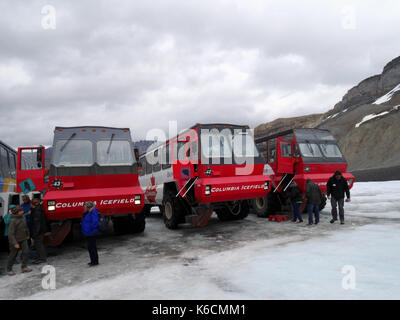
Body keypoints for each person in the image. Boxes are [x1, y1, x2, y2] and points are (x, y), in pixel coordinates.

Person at [6, 206, 32, 276]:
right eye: (21, 211)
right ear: (17, 212)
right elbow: (11, 233)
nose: (22, 212)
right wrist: (15, 243)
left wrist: (27, 234)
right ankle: (9, 269)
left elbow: (25, 227)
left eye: (22, 211)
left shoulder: (23, 217)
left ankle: (24, 267)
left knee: (26, 252)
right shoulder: (13, 220)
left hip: (23, 239)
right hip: (15, 240)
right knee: (13, 255)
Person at [81, 201, 99, 266]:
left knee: (92, 248)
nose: (84, 207)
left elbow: (95, 222)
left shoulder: (93, 212)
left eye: (85, 206)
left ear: (88, 207)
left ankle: (95, 261)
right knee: (90, 248)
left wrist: (90, 229)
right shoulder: (88, 212)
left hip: (91, 233)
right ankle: (92, 261)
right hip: (88, 233)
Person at [30, 198, 48, 264]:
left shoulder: (36, 211)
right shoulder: (39, 209)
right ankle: (41, 258)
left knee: (39, 245)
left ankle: (42, 258)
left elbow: (37, 223)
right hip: (41, 230)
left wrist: (35, 233)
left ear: (32, 204)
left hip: (38, 231)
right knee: (39, 245)